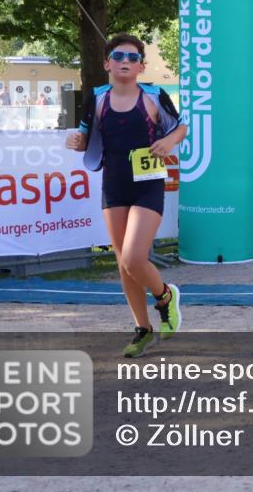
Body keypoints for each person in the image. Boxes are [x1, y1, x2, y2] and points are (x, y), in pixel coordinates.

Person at [65, 33, 185, 358]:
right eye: (118, 56)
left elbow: (181, 126)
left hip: (147, 183)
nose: (125, 62)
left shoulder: (154, 95)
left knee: (133, 256)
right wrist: (77, 141)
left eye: (132, 58)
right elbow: (84, 134)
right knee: (123, 263)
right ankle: (142, 329)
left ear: (142, 66)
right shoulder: (96, 98)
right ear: (107, 63)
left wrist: (169, 142)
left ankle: (165, 297)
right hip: (113, 183)